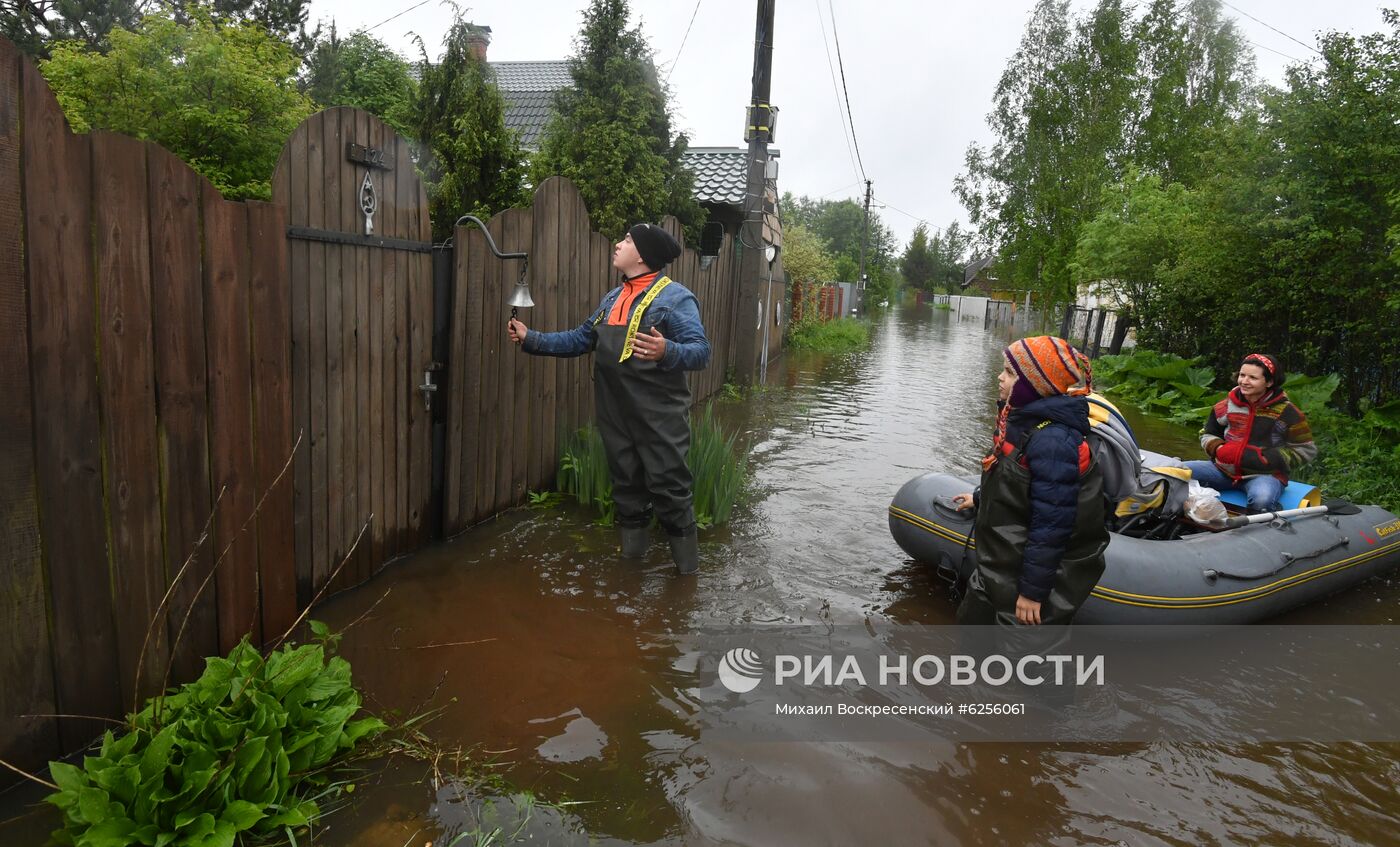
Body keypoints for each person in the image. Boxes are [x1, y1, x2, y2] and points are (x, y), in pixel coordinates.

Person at [507, 223, 711, 574]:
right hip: (616, 414)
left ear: (643, 255)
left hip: (659, 416)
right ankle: (631, 571)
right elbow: (579, 339)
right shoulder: (612, 299)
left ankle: (687, 579)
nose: (618, 244)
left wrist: (667, 350)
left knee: (670, 490)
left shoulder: (676, 298)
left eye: (628, 240)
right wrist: (531, 338)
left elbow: (701, 352)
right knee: (627, 490)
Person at [952, 337, 1109, 626]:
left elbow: (1052, 522)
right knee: (972, 627)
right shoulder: (1019, 420)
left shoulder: (1053, 442)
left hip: (1033, 576)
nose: (1000, 377)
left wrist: (1033, 592)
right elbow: (1014, 483)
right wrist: (980, 497)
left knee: (1023, 655)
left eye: (1010, 373)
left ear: (1035, 385)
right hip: (999, 564)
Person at [1183, 353, 1316, 514]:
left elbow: (1306, 450)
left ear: (1269, 382)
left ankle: (1264, 525)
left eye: (1252, 377)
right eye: (1242, 375)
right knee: (1177, 471)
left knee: (1262, 500)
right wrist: (1218, 448)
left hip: (1264, 476)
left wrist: (1266, 458)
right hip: (1222, 471)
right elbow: (1207, 434)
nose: (1244, 381)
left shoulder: (1288, 413)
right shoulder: (1225, 406)